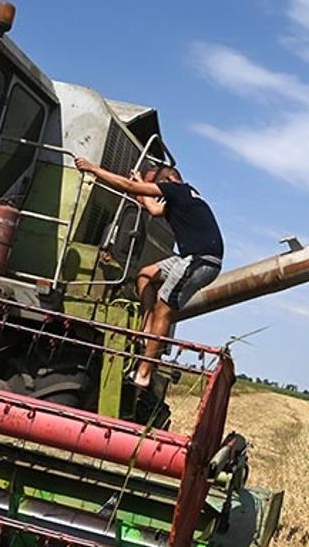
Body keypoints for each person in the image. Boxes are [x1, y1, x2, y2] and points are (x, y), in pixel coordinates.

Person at [73, 156, 223, 388]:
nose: (157, 192)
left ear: (170, 179)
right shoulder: (184, 198)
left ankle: (143, 373)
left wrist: (93, 169)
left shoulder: (176, 189)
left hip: (200, 260)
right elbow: (152, 209)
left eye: (157, 186)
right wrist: (141, 181)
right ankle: (146, 328)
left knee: (165, 310)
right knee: (145, 274)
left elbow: (131, 188)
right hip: (192, 258)